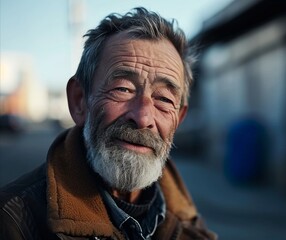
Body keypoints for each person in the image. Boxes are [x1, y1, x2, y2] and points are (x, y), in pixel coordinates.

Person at [0, 7, 216, 240]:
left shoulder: (187, 221)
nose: (143, 118)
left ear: (179, 119)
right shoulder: (14, 222)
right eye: (122, 89)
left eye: (163, 99)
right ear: (80, 101)